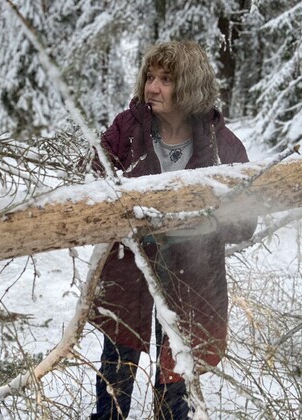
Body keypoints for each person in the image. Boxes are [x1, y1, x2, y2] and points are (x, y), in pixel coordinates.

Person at [89, 41, 257, 419]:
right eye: (150, 77)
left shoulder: (219, 144)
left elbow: (245, 220)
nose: (152, 87)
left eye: (166, 79)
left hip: (191, 274)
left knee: (175, 373)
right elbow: (94, 185)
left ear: (190, 86)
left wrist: (206, 218)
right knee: (117, 370)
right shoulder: (126, 129)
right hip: (130, 267)